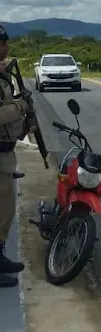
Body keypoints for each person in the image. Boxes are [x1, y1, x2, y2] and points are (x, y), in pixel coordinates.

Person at [0, 25, 29, 288]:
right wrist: (20, 106)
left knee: (5, 212)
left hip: (5, 154)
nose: (5, 47)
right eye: (1, 43)